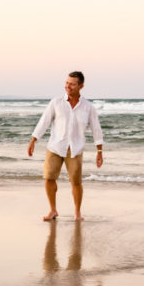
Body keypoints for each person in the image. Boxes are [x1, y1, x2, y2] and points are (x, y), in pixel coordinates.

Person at [27, 71, 103, 221]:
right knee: (49, 178)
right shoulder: (56, 102)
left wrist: (99, 151)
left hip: (75, 149)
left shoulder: (88, 107)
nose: (68, 86)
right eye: (67, 83)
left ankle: (77, 213)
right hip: (55, 147)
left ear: (81, 86)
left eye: (72, 84)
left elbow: (96, 129)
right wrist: (33, 140)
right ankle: (53, 210)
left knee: (76, 182)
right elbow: (44, 121)